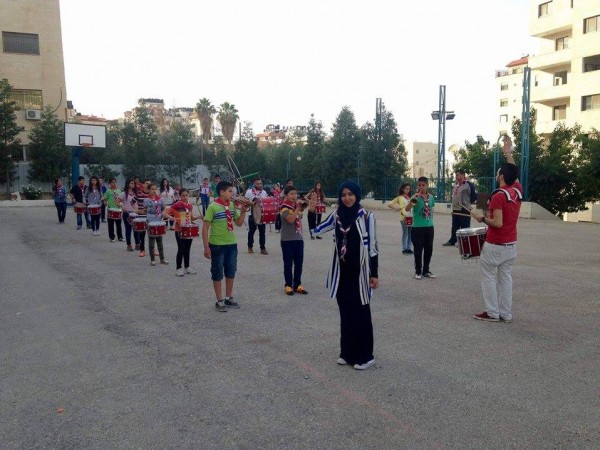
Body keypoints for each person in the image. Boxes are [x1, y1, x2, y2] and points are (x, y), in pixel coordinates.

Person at [311, 181, 379, 371]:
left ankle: (366, 356)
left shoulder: (367, 217)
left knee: (361, 314)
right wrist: (310, 211)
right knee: (346, 312)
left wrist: (374, 274)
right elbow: (316, 230)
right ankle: (347, 353)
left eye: (350, 194)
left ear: (357, 195)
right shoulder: (337, 215)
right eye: (343, 195)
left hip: (360, 274)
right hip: (342, 273)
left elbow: (373, 248)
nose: (347, 198)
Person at [471, 136, 522, 323]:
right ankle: (506, 314)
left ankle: (492, 313)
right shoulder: (517, 190)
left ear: (501, 176)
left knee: (488, 277)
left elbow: (498, 223)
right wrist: (508, 153)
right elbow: (514, 173)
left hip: (496, 244)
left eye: (499, 172)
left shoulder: (498, 196)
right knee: (506, 278)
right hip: (511, 244)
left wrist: (482, 218)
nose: (497, 173)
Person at [202, 180, 249, 312]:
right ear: (222, 192)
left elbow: (238, 223)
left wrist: (243, 211)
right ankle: (219, 300)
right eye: (230, 191)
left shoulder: (232, 206)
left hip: (231, 244)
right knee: (217, 272)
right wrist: (206, 247)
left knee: (231, 271)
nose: (232, 194)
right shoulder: (213, 207)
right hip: (217, 245)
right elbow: (205, 228)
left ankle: (228, 297)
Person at [165, 188, 202, 277]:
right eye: (183, 195)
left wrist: (199, 217)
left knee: (187, 249)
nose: (185, 197)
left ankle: (187, 267)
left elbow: (191, 218)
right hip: (179, 230)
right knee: (181, 249)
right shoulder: (176, 205)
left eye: (186, 195)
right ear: (180, 196)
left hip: (188, 230)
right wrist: (172, 218)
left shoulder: (190, 206)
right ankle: (178, 268)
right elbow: (165, 213)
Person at [279, 185, 308, 295]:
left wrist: (306, 204)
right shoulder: (284, 207)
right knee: (288, 264)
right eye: (291, 194)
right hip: (287, 240)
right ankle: (288, 285)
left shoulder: (295, 206)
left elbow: (300, 217)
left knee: (299, 263)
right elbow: (291, 220)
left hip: (298, 238)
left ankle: (297, 285)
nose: (294, 196)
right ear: (286, 195)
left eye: (295, 194)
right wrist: (297, 208)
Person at [405, 177, 436, 279]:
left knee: (428, 249)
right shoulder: (415, 197)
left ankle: (426, 270)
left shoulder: (431, 197)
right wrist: (413, 199)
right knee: (418, 250)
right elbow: (407, 209)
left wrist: (430, 221)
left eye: (423, 185)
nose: (421, 187)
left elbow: (431, 209)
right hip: (417, 227)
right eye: (419, 185)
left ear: (427, 185)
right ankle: (418, 271)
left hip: (429, 226)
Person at [443, 169, 472, 247]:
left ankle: (464, 242)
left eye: (457, 175)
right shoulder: (456, 185)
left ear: (462, 175)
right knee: (455, 226)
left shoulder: (468, 185)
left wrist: (467, 203)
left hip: (464, 209)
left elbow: (473, 196)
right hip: (456, 209)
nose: (456, 177)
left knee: (464, 227)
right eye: (456, 175)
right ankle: (453, 240)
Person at [144, 183, 169, 266]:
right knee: (151, 240)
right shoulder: (146, 200)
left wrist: (163, 212)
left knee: (159, 240)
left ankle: (162, 258)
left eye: (155, 189)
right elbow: (145, 210)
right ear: (149, 190)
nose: (154, 191)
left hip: (159, 220)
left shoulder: (160, 199)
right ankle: (152, 259)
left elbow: (164, 207)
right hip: (150, 220)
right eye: (152, 189)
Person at [245, 177, 269, 255]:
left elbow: (266, 203)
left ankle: (263, 248)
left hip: (262, 216)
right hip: (252, 215)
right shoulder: (249, 192)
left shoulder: (264, 192)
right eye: (257, 184)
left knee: (262, 232)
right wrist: (251, 203)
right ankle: (250, 246)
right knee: (251, 232)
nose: (259, 185)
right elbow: (245, 201)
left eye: (260, 183)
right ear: (254, 184)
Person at [387, 183, 413, 254]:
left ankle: (409, 248)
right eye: (406, 189)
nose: (408, 190)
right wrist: (396, 208)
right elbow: (389, 204)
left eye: (409, 189)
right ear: (403, 189)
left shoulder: (410, 198)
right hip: (404, 218)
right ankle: (404, 248)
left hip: (410, 217)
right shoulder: (399, 198)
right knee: (405, 233)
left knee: (410, 233)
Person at [119, 178, 140, 252]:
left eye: (134, 183)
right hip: (127, 214)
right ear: (128, 184)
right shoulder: (124, 193)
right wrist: (122, 206)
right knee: (128, 229)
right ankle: (129, 245)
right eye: (131, 183)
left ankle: (137, 244)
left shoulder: (135, 193)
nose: (133, 185)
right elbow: (117, 201)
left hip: (135, 214)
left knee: (136, 230)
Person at [103, 177, 123, 243]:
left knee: (119, 225)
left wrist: (121, 204)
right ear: (109, 183)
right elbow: (105, 198)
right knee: (111, 225)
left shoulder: (119, 190)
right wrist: (105, 202)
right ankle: (111, 237)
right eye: (112, 182)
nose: (114, 183)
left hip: (118, 209)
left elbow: (121, 199)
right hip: (111, 209)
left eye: (115, 182)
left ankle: (120, 237)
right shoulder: (108, 191)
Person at [135, 179, 151, 257]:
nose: (148, 185)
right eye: (146, 183)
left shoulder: (152, 194)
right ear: (143, 184)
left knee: (152, 234)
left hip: (151, 217)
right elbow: (132, 202)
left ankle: (152, 250)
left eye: (149, 184)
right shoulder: (138, 194)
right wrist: (137, 210)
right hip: (141, 217)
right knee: (142, 234)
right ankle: (142, 250)